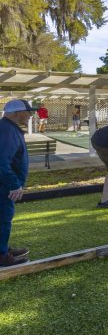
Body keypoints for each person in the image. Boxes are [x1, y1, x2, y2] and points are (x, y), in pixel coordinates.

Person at [0, 100, 35, 266]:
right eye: (27, 111)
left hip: (5, 182)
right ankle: (1, 255)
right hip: (4, 185)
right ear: (15, 113)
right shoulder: (7, 131)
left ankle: (3, 248)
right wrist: (14, 184)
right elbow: (1, 161)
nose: (30, 115)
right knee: (3, 218)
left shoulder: (8, 128)